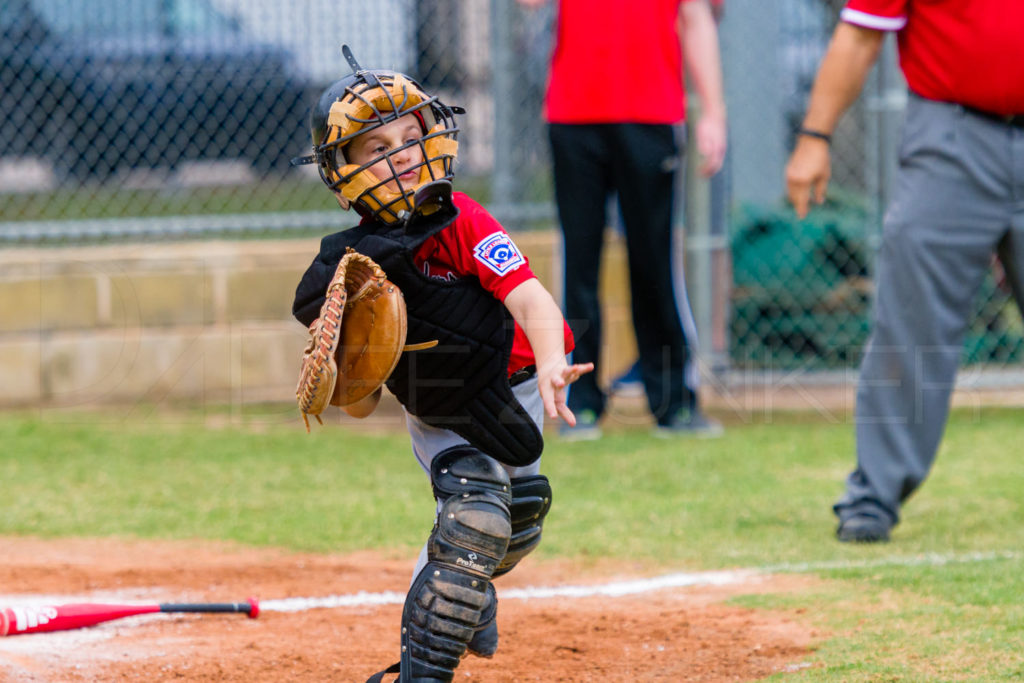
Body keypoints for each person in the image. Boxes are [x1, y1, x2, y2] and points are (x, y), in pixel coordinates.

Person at [290, 47, 592, 682]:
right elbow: (360, 395)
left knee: (518, 522)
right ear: (339, 173)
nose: (400, 153)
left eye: (409, 135)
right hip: (445, 406)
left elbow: (530, 297)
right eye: (374, 148)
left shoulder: (460, 219)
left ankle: (468, 590)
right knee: (474, 520)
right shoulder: (348, 267)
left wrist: (550, 364)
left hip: (521, 386)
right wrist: (350, 364)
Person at [785, 2, 1024, 543]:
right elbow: (859, 36)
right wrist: (815, 137)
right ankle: (874, 496)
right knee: (910, 323)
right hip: (953, 136)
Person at [520, 0, 728, 440]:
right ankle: (581, 400)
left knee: (654, 261)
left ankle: (673, 402)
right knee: (579, 264)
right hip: (574, 114)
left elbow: (697, 20)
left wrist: (713, 110)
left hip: (652, 113)